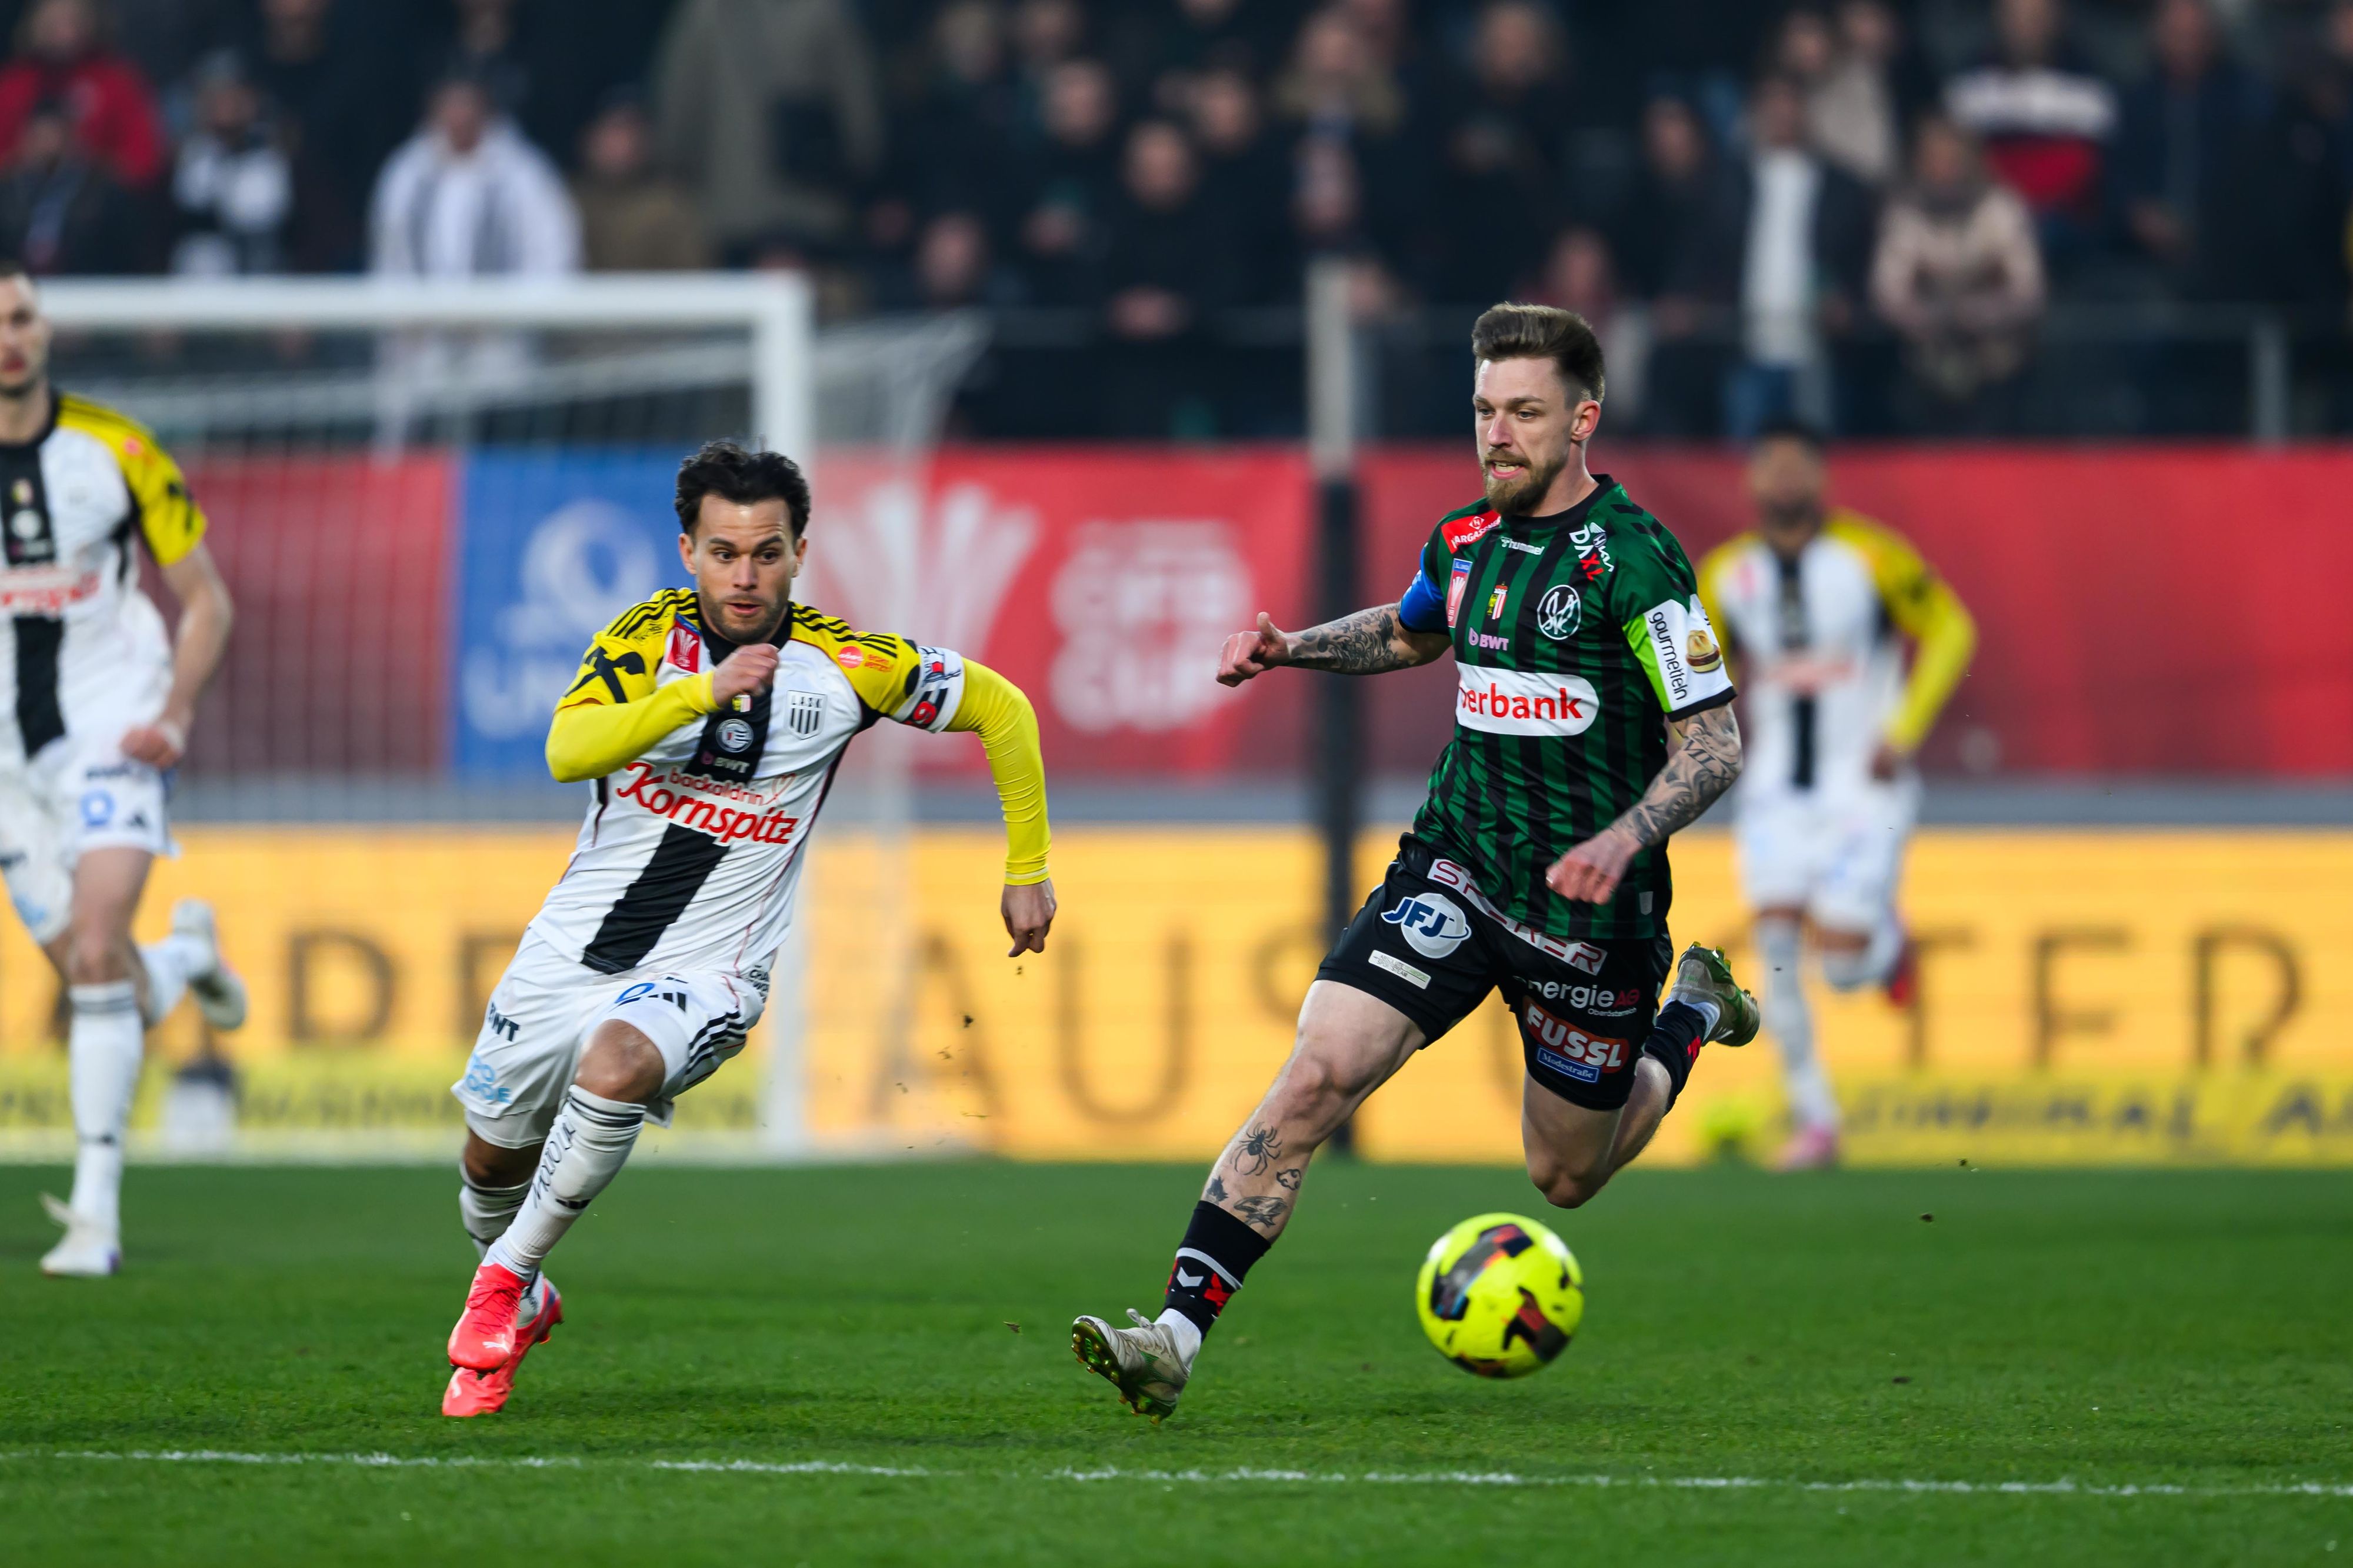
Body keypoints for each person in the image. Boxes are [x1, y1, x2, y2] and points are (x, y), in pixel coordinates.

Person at [1072, 304, 1758, 1422]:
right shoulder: (1465, 538)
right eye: (1486, 410)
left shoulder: (1637, 564)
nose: (1499, 434)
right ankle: (1174, 1337)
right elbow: (1411, 628)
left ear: (1584, 420)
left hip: (1593, 918)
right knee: (1317, 1073)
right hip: (1456, 867)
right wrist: (1294, 648)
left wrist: (1625, 836)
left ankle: (1688, 1014)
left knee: (1566, 1176)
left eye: (1525, 413)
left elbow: (1716, 742)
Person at [440, 441, 1057, 1417]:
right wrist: (696, 696)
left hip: (713, 970)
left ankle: (505, 1280)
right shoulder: (642, 643)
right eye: (724, 552)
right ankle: (520, 1278)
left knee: (618, 1064)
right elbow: (567, 749)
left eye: (767, 552)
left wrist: (1027, 866)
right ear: (687, 549)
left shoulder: (848, 665)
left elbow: (1002, 707)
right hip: (570, 954)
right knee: (487, 1164)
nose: (745, 575)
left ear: (800, 551)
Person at [0, 268, 248, 1276]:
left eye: (18, 317)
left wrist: (174, 713)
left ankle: (95, 1215)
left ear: (44, 329)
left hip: (115, 721)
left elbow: (209, 603)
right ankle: (189, 963)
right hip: (7, 760)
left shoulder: (117, 448)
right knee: (111, 984)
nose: (7, 339)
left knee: (99, 949)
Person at [1695, 419, 1974, 1170]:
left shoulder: (1873, 556)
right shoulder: (1725, 574)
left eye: (1798, 466)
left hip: (1864, 785)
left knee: (1844, 967)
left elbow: (1950, 628)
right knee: (1778, 949)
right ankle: (1816, 1122)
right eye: (1771, 466)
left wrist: (1905, 728)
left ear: (1821, 477)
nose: (1784, 479)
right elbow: (1693, 670)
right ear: (1751, 480)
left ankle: (1887, 948)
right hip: (1776, 792)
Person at [1870, 112, 2044, 433]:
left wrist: (1977, 312)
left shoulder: (2000, 208)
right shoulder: (1905, 213)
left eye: (1953, 158)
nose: (1944, 169)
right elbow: (1888, 293)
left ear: (1971, 160)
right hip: (1925, 361)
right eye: (1934, 159)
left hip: (1996, 361)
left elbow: (2028, 289)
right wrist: (1936, 314)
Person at [370, 71, 578, 279]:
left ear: (485, 109)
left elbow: (551, 252)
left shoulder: (525, 173)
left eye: (467, 105)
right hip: (421, 309)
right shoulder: (408, 171)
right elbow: (391, 253)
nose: (459, 116)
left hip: (505, 308)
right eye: (450, 105)